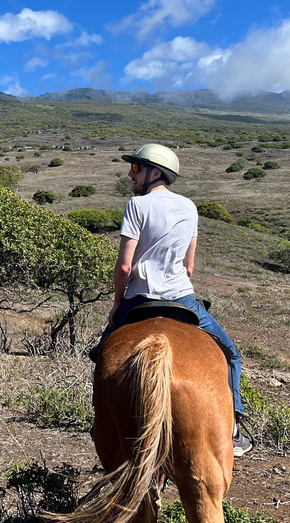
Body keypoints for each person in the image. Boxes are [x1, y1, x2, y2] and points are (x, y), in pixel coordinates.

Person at [105, 143, 251, 457]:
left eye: (135, 168)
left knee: (102, 357)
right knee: (231, 355)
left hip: (138, 300)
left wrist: (118, 303)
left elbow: (125, 266)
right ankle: (233, 428)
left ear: (154, 172)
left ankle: (103, 424)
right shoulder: (189, 207)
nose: (131, 175)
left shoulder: (136, 205)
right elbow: (189, 266)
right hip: (182, 300)